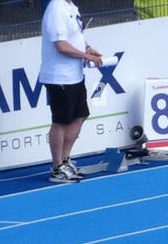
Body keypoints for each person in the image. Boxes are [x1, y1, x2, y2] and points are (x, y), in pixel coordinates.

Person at [39, 0, 103, 183]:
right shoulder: (56, 8)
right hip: (59, 76)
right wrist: (86, 56)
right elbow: (61, 45)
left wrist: (88, 48)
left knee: (80, 116)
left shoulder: (70, 6)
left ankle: (66, 160)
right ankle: (57, 167)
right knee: (60, 121)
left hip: (75, 75)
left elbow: (75, 35)